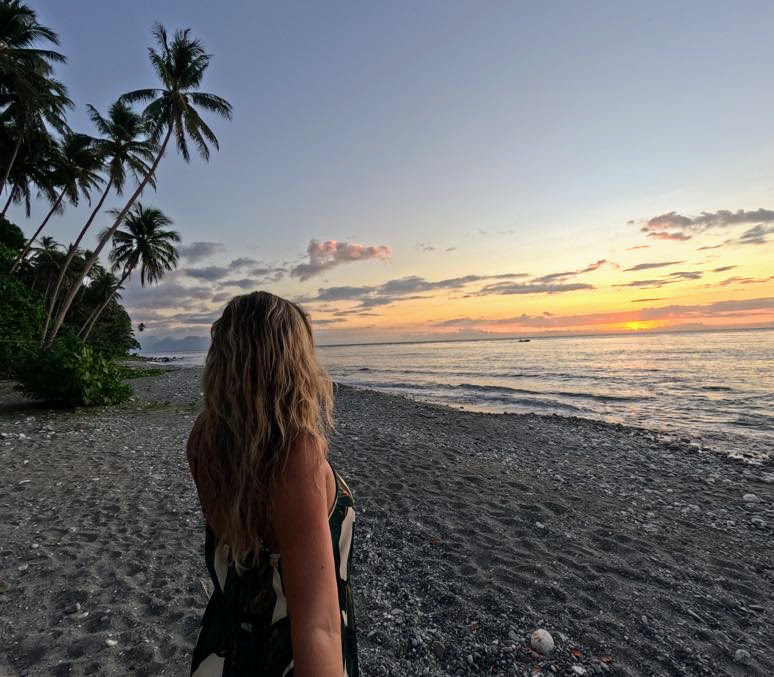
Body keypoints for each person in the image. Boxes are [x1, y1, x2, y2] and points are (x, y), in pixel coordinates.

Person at [186, 291, 358, 676]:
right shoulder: (295, 455)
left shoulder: (203, 439)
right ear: (291, 362)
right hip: (284, 657)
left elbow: (245, 544)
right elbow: (318, 625)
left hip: (223, 645)